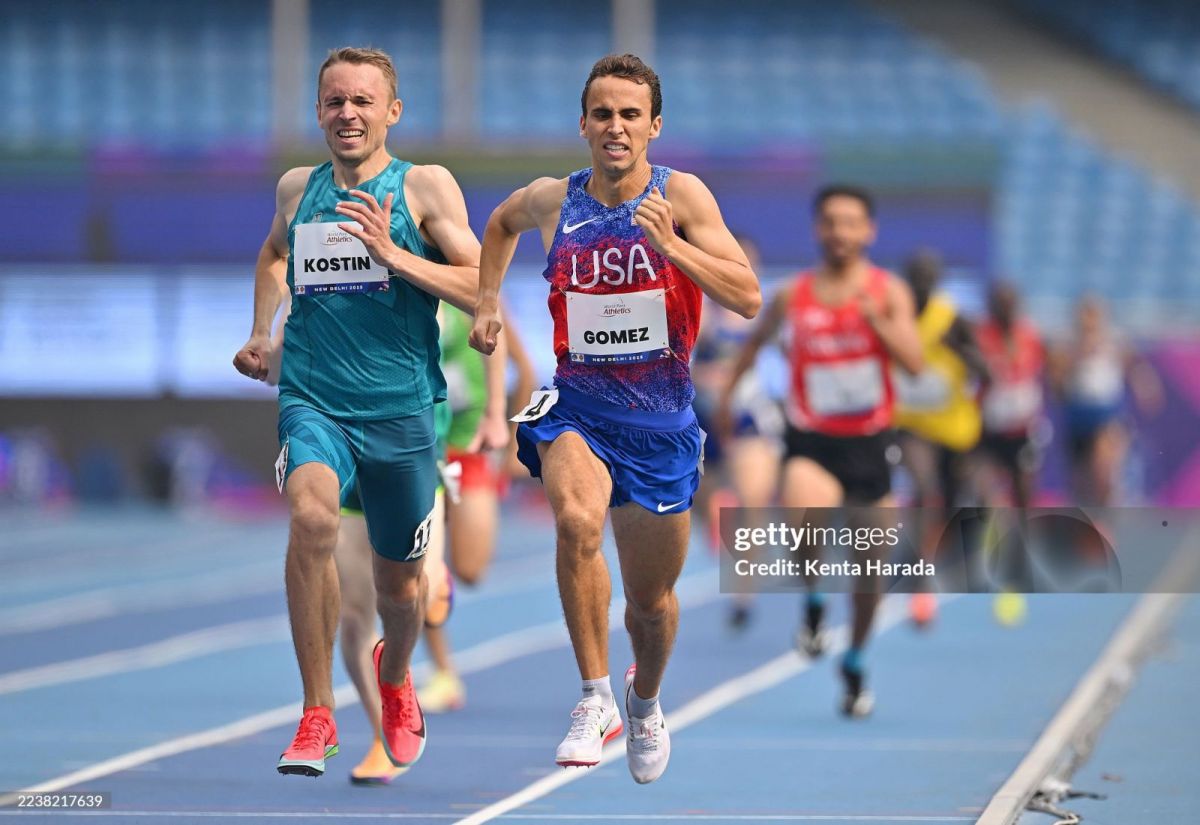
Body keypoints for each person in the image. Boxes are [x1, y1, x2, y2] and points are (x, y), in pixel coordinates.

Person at [469, 54, 760, 784]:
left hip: (661, 427)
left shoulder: (681, 196)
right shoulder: (552, 200)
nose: (616, 126)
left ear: (654, 125)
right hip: (580, 407)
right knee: (576, 521)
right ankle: (595, 695)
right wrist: (486, 302)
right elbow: (498, 225)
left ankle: (644, 699)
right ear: (583, 124)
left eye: (631, 114)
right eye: (603, 113)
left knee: (651, 605)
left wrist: (673, 247)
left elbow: (748, 296)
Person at [232, 46, 481, 778]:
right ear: (318, 111)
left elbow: (481, 285)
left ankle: (395, 676)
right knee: (311, 516)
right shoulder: (295, 189)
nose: (348, 113)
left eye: (363, 101)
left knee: (400, 590)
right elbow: (273, 255)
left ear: (392, 112)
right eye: (335, 100)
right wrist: (261, 332)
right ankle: (317, 712)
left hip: (402, 411)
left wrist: (394, 254)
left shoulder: (425, 187)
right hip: (315, 398)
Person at [719, 184, 922, 717]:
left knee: (869, 576)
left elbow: (914, 362)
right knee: (804, 520)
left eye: (851, 222)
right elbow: (755, 343)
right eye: (830, 222)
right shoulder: (794, 295)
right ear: (817, 229)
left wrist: (879, 324)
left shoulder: (888, 292)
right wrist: (727, 397)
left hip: (871, 446)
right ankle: (813, 600)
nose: (840, 232)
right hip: (812, 440)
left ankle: (854, 660)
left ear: (869, 231)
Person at [690, 233, 784, 630]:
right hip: (703, 417)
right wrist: (710, 376)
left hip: (748, 416)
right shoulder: (701, 310)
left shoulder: (766, 314)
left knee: (753, 504)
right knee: (695, 497)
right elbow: (679, 364)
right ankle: (714, 514)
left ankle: (743, 595)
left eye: (750, 261)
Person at [891, 249, 988, 627]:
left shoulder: (953, 320)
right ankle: (917, 570)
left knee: (952, 501)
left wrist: (960, 351)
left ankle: (942, 558)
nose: (920, 284)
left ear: (936, 281)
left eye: (927, 277)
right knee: (922, 486)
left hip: (953, 429)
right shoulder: (892, 316)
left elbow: (985, 371)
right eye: (915, 276)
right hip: (911, 424)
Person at [1049, 294, 1162, 506]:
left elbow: (1135, 365)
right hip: (1077, 414)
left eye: (1092, 317)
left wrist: (1146, 387)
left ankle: (1107, 512)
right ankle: (1085, 517)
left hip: (1106, 414)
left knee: (1104, 470)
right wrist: (1069, 364)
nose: (1088, 323)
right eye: (1084, 317)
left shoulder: (1113, 340)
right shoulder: (1068, 344)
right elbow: (1056, 383)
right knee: (1080, 477)